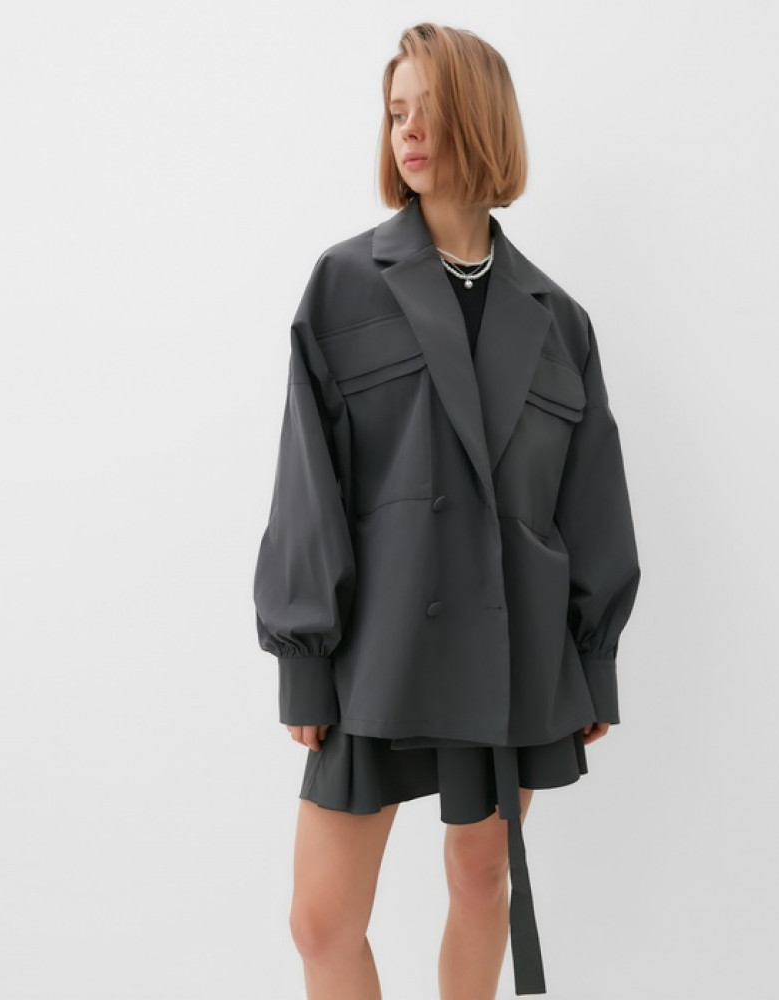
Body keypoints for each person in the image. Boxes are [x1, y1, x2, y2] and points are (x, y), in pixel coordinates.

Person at [253, 22, 641, 999]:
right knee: (320, 920)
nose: (408, 132)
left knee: (480, 880)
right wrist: (305, 658)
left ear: (483, 119)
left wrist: (592, 660)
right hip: (379, 643)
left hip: (510, 648)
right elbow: (307, 479)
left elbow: (591, 498)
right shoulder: (344, 284)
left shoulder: (557, 320)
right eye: (396, 113)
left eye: (429, 109)